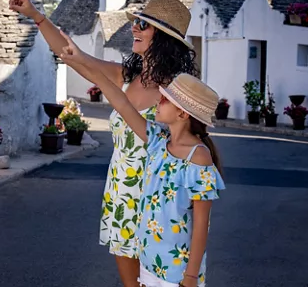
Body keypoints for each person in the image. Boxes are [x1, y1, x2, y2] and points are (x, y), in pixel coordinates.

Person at [8, 0, 198, 287]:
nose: (134, 28)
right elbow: (70, 54)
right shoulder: (125, 76)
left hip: (159, 199)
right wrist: (35, 15)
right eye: (136, 21)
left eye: (143, 24)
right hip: (122, 193)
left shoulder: (179, 90)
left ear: (163, 39)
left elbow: (189, 148)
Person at [59, 30, 224, 287]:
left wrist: (191, 276)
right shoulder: (158, 141)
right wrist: (81, 61)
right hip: (149, 263)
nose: (158, 100)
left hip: (177, 270)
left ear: (182, 113)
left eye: (166, 100)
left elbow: (202, 224)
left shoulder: (199, 157)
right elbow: (123, 105)